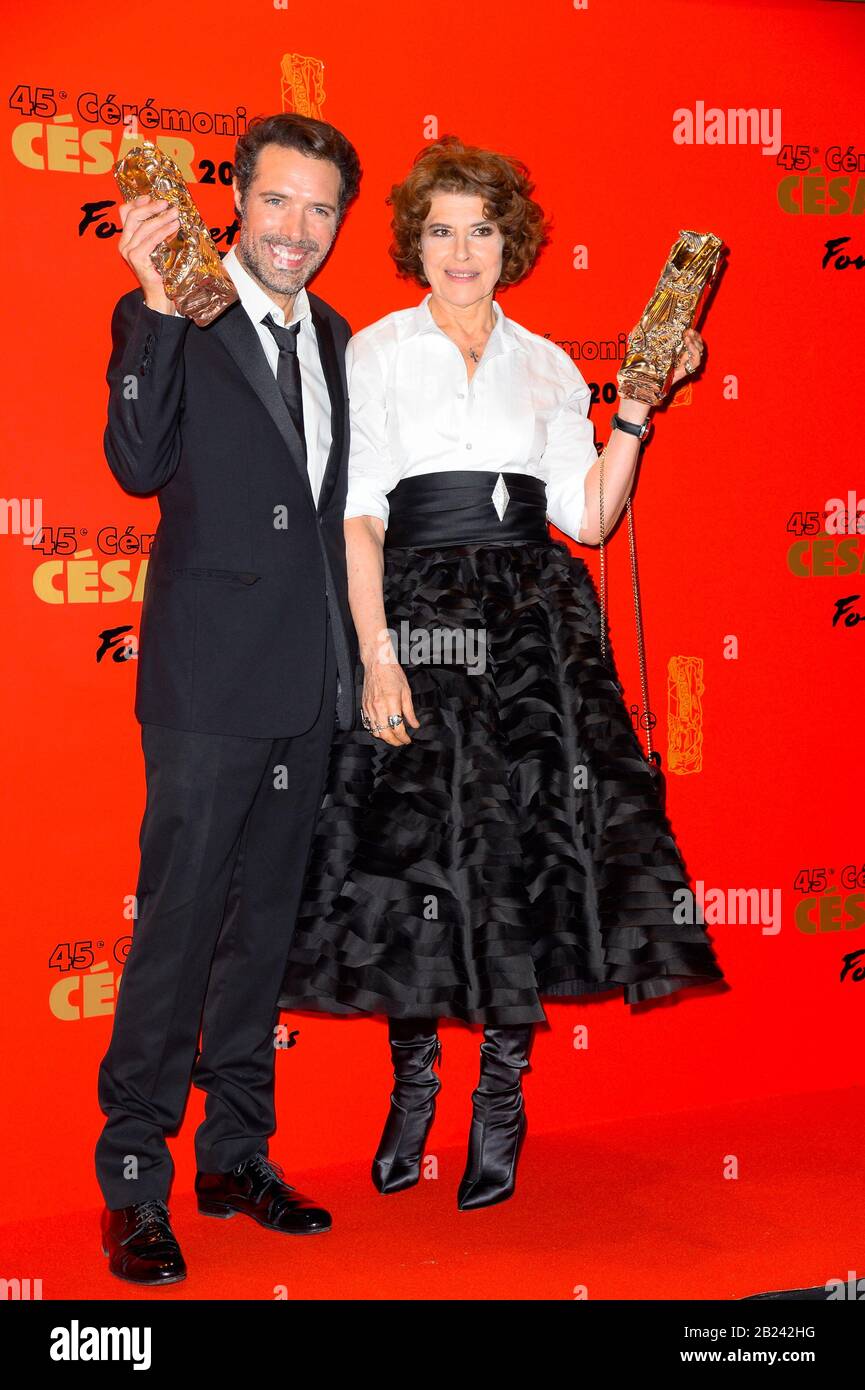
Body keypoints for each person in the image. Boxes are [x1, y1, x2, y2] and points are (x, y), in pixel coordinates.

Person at [277, 134, 726, 1211]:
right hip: (423, 615)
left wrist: (634, 411)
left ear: (508, 242)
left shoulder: (550, 365)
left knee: (525, 849)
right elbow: (358, 514)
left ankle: (505, 1096)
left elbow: (589, 515)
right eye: (440, 230)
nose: (461, 250)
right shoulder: (375, 351)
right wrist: (378, 651)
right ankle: (415, 1082)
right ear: (413, 244)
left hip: (536, 622)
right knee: (418, 849)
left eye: (480, 229)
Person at [95, 112, 361, 1285]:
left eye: (321, 209)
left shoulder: (344, 336)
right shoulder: (173, 314)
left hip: (308, 683)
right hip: (206, 681)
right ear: (235, 203)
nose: (297, 229)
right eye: (277, 202)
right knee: (178, 930)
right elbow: (137, 465)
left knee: (260, 939)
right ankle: (136, 1182)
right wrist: (152, 301)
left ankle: (234, 1157)